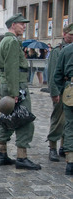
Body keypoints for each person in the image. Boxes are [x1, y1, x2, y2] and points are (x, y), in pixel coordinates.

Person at [0, 13, 41, 170]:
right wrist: (15, 92)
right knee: (24, 119)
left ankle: (1, 154)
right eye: (21, 24)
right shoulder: (13, 42)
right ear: (13, 25)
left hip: (7, 84)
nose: (24, 26)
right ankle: (22, 157)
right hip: (16, 85)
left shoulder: (4, 41)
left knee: (7, 119)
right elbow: (12, 68)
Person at [47, 23, 73, 162]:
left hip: (68, 89)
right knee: (57, 120)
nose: (72, 38)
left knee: (68, 122)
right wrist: (55, 92)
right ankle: (52, 146)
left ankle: (64, 147)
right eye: (70, 35)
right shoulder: (58, 50)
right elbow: (53, 73)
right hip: (60, 90)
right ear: (64, 35)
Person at [53, 25, 73, 176]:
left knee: (70, 126)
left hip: (70, 90)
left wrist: (63, 89)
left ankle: (70, 162)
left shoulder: (65, 50)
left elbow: (57, 74)